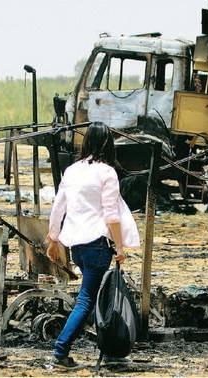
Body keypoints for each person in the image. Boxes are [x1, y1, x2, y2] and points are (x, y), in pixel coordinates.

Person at [46, 122, 140, 368]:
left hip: (76, 245)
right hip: (98, 243)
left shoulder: (72, 170)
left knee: (90, 295)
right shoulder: (107, 172)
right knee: (87, 299)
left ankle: (103, 348)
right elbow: (111, 215)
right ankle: (60, 351)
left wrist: (53, 238)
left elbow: (58, 207)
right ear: (108, 145)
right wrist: (120, 248)